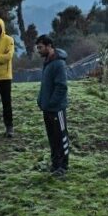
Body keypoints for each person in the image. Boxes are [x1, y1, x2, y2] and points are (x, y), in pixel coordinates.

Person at [36, 34, 69, 177]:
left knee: (61, 137)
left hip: (56, 109)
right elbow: (46, 85)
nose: (38, 51)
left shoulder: (58, 63)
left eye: (40, 47)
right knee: (52, 138)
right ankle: (55, 164)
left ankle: (63, 166)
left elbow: (61, 87)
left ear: (49, 46)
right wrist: (41, 101)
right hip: (47, 109)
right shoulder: (48, 62)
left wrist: (51, 103)